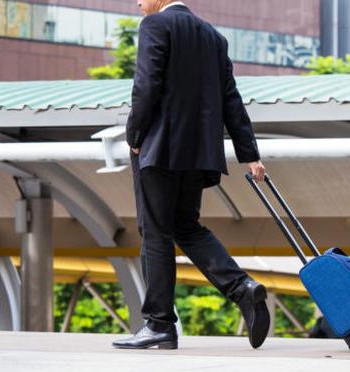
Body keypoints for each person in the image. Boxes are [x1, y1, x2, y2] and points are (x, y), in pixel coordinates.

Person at [113, 0, 270, 350]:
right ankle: (242, 288)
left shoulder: (155, 26)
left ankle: (159, 324)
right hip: (199, 153)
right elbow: (231, 99)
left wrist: (134, 136)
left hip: (160, 148)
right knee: (185, 226)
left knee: (155, 230)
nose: (137, 2)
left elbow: (146, 84)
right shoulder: (213, 37)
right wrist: (249, 154)